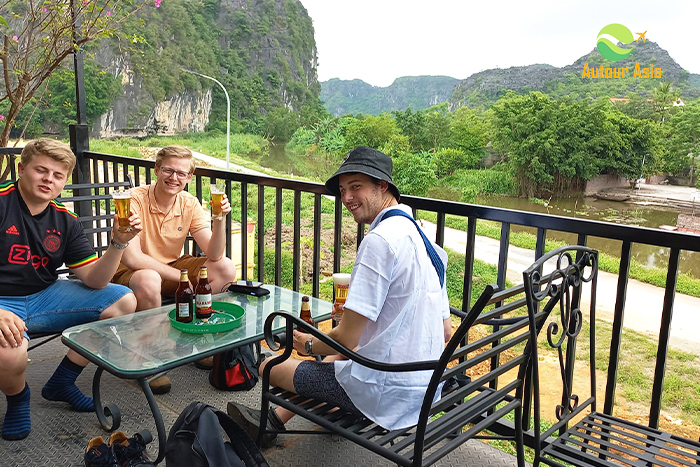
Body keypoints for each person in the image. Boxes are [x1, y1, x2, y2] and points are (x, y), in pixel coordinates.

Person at [227, 146, 452, 447]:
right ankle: (275, 421)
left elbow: (346, 337)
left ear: (382, 185)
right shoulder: (426, 242)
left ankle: (280, 420)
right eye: (344, 190)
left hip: (382, 395)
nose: (347, 198)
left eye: (356, 186)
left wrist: (306, 344)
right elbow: (446, 330)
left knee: (270, 366)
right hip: (424, 387)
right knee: (337, 355)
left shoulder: (379, 242)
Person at [0, 138, 140, 441]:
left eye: (58, 175)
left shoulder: (66, 220)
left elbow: (94, 280)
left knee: (123, 301)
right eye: (41, 170)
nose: (49, 179)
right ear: (22, 169)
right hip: (2, 302)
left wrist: (118, 242)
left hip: (44, 295)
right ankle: (18, 399)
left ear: (64, 182)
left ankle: (63, 381)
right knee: (9, 354)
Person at [111, 145, 236, 393]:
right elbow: (134, 259)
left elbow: (214, 254)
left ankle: (201, 341)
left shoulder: (188, 203)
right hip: (129, 274)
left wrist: (219, 219)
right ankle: (148, 358)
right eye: (168, 170)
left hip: (170, 268)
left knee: (224, 267)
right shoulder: (132, 199)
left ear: (190, 177)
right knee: (148, 279)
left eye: (181, 173)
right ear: (157, 170)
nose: (174, 178)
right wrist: (179, 277)